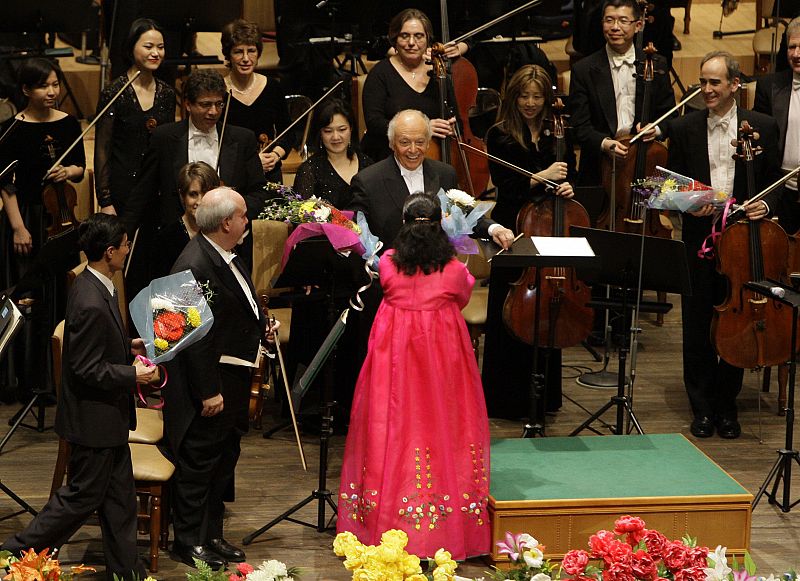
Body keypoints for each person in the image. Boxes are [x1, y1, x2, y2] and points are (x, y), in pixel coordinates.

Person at [0, 213, 156, 581]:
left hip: (107, 419)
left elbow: (97, 348)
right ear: (109, 252)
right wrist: (134, 373)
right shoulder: (89, 297)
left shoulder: (97, 283)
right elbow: (86, 369)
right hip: (94, 420)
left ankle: (125, 572)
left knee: (120, 504)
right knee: (79, 499)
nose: (128, 248)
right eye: (124, 244)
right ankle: (14, 552)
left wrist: (125, 345)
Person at [337, 193, 491, 560]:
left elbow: (386, 284)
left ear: (404, 225)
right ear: (440, 226)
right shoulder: (454, 269)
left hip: (395, 357)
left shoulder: (388, 262)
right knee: (443, 423)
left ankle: (383, 519)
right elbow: (463, 297)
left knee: (393, 424)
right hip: (442, 358)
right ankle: (446, 521)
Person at [666, 51, 782, 440]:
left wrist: (767, 204)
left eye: (715, 82)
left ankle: (727, 404)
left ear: (735, 84)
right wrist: (691, 202)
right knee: (697, 322)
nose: (706, 89)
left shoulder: (762, 126)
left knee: (736, 320)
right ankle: (701, 407)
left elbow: (777, 186)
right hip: (699, 239)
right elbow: (663, 188)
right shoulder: (683, 129)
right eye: (702, 81)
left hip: (741, 242)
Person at [163, 187, 269, 569]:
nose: (247, 220)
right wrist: (208, 392)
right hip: (208, 387)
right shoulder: (191, 264)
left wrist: (260, 327)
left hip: (232, 379)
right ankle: (187, 541)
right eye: (242, 215)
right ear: (227, 222)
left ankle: (211, 534)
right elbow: (187, 339)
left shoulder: (225, 255)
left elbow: (235, 310)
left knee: (223, 459)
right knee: (199, 463)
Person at [480, 65, 577, 420]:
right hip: (513, 227)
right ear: (513, 97)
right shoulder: (500, 135)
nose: (531, 103)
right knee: (511, 307)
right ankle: (506, 398)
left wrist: (567, 185)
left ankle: (545, 397)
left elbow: (572, 175)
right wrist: (541, 177)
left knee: (546, 304)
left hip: (551, 224)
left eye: (538, 97)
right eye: (525, 96)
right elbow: (506, 186)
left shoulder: (557, 134)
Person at [123, 69, 268, 286]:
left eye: (219, 104)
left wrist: (230, 205)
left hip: (229, 244)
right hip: (175, 245)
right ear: (188, 104)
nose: (213, 111)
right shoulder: (163, 138)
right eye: (205, 104)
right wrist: (121, 234)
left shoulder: (243, 138)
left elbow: (259, 193)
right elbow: (142, 193)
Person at [0, 58, 84, 395]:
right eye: (43, 86)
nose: (52, 92)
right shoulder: (12, 129)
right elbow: (6, 185)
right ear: (25, 90)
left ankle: (56, 379)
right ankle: (23, 380)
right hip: (28, 219)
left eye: (55, 84)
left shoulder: (69, 124)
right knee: (27, 295)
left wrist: (69, 173)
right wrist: (19, 228)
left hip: (61, 219)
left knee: (58, 295)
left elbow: (79, 166)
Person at [350, 109, 514, 249]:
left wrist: (494, 229)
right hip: (390, 275)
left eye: (420, 142)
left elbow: (464, 214)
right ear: (392, 143)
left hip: (436, 272)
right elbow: (355, 232)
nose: (413, 150)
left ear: (428, 143)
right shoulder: (367, 181)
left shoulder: (445, 173)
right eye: (405, 142)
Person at [568, 0, 675, 188]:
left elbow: (670, 116)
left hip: (645, 162)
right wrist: (604, 144)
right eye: (609, 20)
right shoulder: (583, 70)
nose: (615, 27)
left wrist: (656, 129)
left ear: (638, 25)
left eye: (623, 21)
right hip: (598, 167)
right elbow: (580, 126)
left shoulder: (657, 65)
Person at [94, 18, 176, 218]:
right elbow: (102, 149)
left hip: (157, 189)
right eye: (148, 46)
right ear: (131, 48)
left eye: (161, 47)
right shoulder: (114, 92)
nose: (156, 53)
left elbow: (169, 145)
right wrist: (105, 201)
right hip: (122, 191)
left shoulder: (167, 93)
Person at [359, 9, 458, 162]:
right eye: (404, 36)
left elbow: (456, 117)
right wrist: (423, 129)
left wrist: (452, 128)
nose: (411, 43)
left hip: (434, 158)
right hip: (388, 158)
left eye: (418, 36)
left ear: (428, 40)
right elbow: (374, 123)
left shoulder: (440, 74)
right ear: (394, 40)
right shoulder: (380, 73)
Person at [221, 19, 295, 184]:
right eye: (238, 51)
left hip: (269, 171)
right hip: (233, 174)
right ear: (228, 54)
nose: (246, 58)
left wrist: (275, 155)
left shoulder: (272, 87)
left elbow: (288, 133)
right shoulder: (219, 91)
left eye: (252, 51)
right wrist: (252, 162)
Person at [753, 16, 800, 235]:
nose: (797, 54)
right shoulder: (768, 86)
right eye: (792, 47)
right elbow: (761, 142)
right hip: (781, 190)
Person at [293, 99, 373, 208]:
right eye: (328, 131)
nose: (336, 137)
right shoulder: (309, 170)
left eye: (342, 129)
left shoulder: (368, 164)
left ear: (351, 129)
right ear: (320, 133)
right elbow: (302, 217)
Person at [152, 161, 220, 279]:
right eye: (193, 194)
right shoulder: (166, 239)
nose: (200, 201)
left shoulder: (222, 232)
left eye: (206, 193)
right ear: (182, 196)